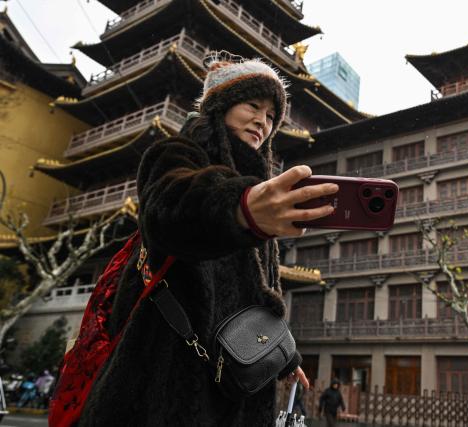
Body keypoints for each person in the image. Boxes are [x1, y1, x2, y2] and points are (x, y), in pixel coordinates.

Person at [77, 51, 339, 425]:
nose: (262, 122)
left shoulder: (264, 191)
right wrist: (240, 208)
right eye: (253, 105)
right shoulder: (176, 154)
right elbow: (170, 210)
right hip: (168, 364)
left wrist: (283, 354)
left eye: (270, 116)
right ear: (222, 104)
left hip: (238, 371)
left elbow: (262, 289)